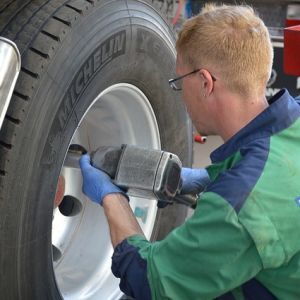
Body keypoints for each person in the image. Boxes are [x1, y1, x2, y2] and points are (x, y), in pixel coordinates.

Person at [79, 4, 300, 299]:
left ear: (205, 83)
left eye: (179, 82)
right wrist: (210, 179)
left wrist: (112, 199)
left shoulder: (239, 208)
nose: (180, 95)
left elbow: (150, 282)